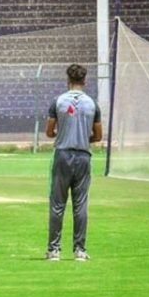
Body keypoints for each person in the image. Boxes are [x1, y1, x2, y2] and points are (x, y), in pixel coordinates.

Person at [45, 63, 102, 262]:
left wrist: (63, 133)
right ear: (84, 81)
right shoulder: (92, 104)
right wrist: (83, 137)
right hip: (83, 156)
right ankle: (80, 250)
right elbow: (98, 135)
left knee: (57, 203)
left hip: (62, 154)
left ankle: (54, 250)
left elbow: (49, 131)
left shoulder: (58, 101)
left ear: (68, 80)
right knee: (80, 204)